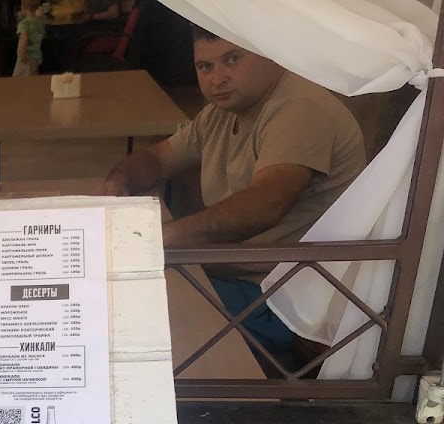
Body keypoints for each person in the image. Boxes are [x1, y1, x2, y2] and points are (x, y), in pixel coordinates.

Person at [101, 25, 365, 353]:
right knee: (119, 295)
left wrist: (161, 238)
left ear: (270, 54)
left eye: (233, 59)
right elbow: (158, 158)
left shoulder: (300, 107)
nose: (218, 79)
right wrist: (120, 179)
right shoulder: (222, 113)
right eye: (205, 66)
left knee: (125, 306)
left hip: (287, 302)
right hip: (235, 277)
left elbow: (266, 205)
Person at [14, 0, 46, 76]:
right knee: (32, 78)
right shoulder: (40, 23)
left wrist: (22, 54)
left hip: (26, 58)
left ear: (23, 7)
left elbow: (24, 38)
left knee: (18, 79)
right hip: (36, 57)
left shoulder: (24, 23)